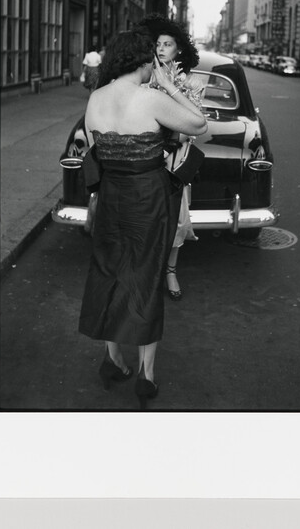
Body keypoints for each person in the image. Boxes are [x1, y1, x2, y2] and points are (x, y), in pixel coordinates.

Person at [78, 28, 207, 409]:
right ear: (143, 60)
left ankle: (112, 359)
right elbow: (199, 124)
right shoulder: (149, 97)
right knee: (146, 278)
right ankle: (146, 377)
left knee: (109, 273)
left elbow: (95, 149)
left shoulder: (96, 98)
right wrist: (168, 86)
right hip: (147, 199)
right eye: (152, 58)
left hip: (111, 197)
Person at [138, 14, 204, 302]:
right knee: (146, 217)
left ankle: (170, 271)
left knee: (176, 219)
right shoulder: (143, 78)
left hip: (174, 160)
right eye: (158, 44)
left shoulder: (191, 82)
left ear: (179, 50)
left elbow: (194, 124)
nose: (162, 48)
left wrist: (169, 147)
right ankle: (148, 270)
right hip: (146, 157)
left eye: (168, 44)